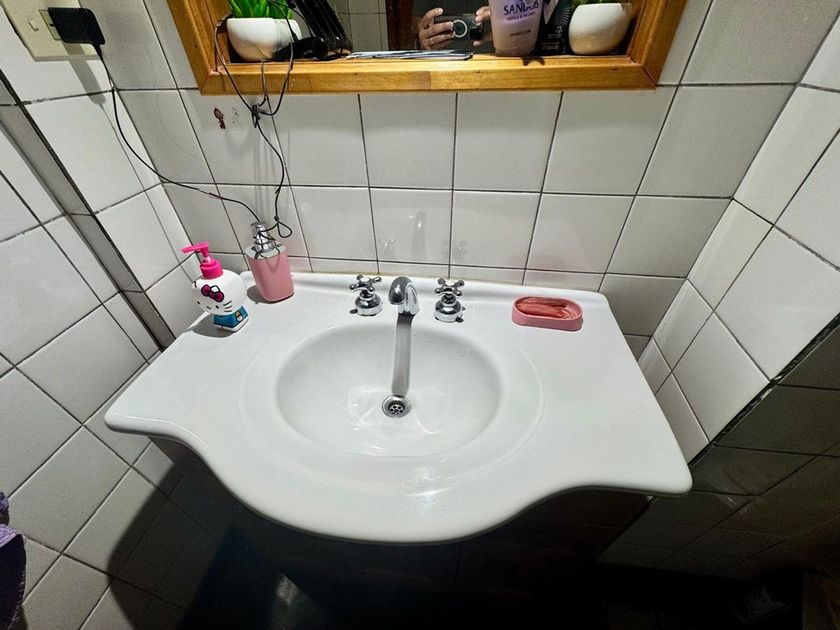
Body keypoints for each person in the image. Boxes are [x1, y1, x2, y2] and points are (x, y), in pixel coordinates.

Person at [412, 0, 492, 51]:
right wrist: (425, 37)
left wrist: (498, 16)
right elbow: (419, 25)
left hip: (492, 58)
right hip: (440, 60)